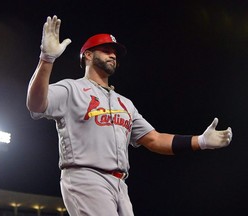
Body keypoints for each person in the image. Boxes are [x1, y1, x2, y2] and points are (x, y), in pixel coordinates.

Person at [26, 15, 233, 216]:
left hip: (119, 183)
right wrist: (47, 59)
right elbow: (36, 104)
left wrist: (201, 141)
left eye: (114, 53)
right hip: (85, 176)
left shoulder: (124, 103)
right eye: (106, 50)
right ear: (87, 55)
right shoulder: (71, 89)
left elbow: (154, 139)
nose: (113, 55)